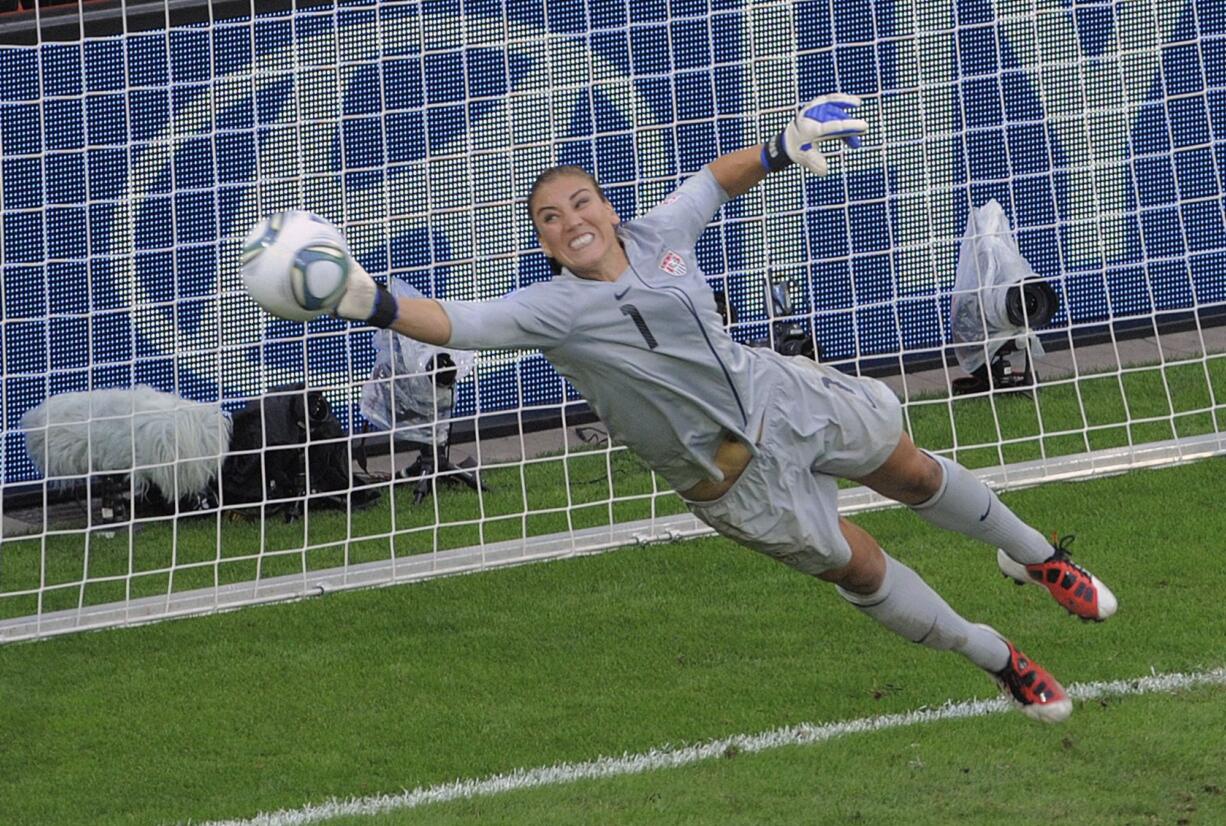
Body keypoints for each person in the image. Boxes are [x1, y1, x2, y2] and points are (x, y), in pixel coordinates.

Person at [251, 94, 1117, 723]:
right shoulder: (548, 312)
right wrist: (364, 298)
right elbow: (455, 322)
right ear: (543, 242)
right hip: (733, 481)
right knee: (861, 568)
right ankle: (1001, 660)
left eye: (580, 202)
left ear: (607, 207)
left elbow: (715, 180)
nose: (570, 220)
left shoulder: (660, 236)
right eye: (550, 219)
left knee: (915, 470)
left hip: (786, 395)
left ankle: (1041, 560)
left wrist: (782, 146)